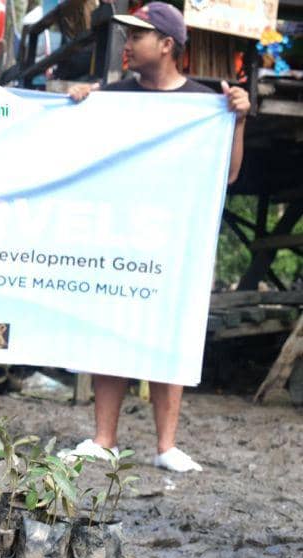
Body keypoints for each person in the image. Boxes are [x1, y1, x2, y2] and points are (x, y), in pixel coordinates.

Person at [59, 2, 251, 472]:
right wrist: (82, 100)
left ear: (167, 45)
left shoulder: (207, 104)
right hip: (122, 235)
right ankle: (104, 438)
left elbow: (227, 176)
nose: (127, 44)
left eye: (137, 36)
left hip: (174, 239)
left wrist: (239, 121)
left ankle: (166, 447)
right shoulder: (116, 96)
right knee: (112, 326)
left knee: (169, 329)